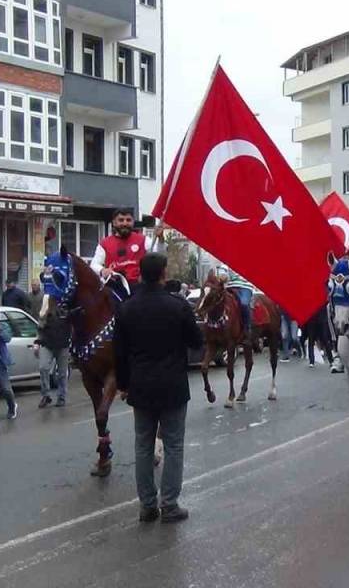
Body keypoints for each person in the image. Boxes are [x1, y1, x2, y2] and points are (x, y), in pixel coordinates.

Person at [114, 253, 203, 524]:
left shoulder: (127, 308)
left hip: (140, 386)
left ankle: (147, 506)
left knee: (143, 446)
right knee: (174, 445)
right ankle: (170, 505)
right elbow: (196, 341)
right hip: (173, 386)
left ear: (140, 274)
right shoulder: (177, 306)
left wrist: (123, 384)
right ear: (164, 273)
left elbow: (119, 352)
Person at [90, 208, 165, 302]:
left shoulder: (143, 240)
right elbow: (94, 264)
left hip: (140, 288)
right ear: (114, 223)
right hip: (116, 288)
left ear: (133, 222)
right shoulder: (104, 243)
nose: (125, 223)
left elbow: (159, 257)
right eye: (121, 220)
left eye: (128, 220)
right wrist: (102, 270)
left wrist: (161, 239)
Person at [34, 297, 71, 409]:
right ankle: (46, 395)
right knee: (43, 367)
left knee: (62, 373)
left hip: (63, 345)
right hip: (48, 344)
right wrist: (37, 342)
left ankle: (61, 396)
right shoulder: (46, 312)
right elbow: (40, 328)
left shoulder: (66, 309)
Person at [214, 265, 257, 339]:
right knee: (218, 302)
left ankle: (247, 328)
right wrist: (222, 276)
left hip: (245, 287)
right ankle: (215, 326)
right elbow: (223, 271)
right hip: (230, 287)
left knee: (244, 304)